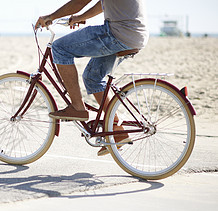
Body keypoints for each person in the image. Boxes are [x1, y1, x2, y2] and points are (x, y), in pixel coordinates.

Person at [35, 0, 148, 155]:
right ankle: (117, 129)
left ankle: (77, 107)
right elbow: (103, 3)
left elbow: (80, 1)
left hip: (116, 33)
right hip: (134, 36)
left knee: (59, 48)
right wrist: (79, 17)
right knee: (92, 77)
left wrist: (51, 16)